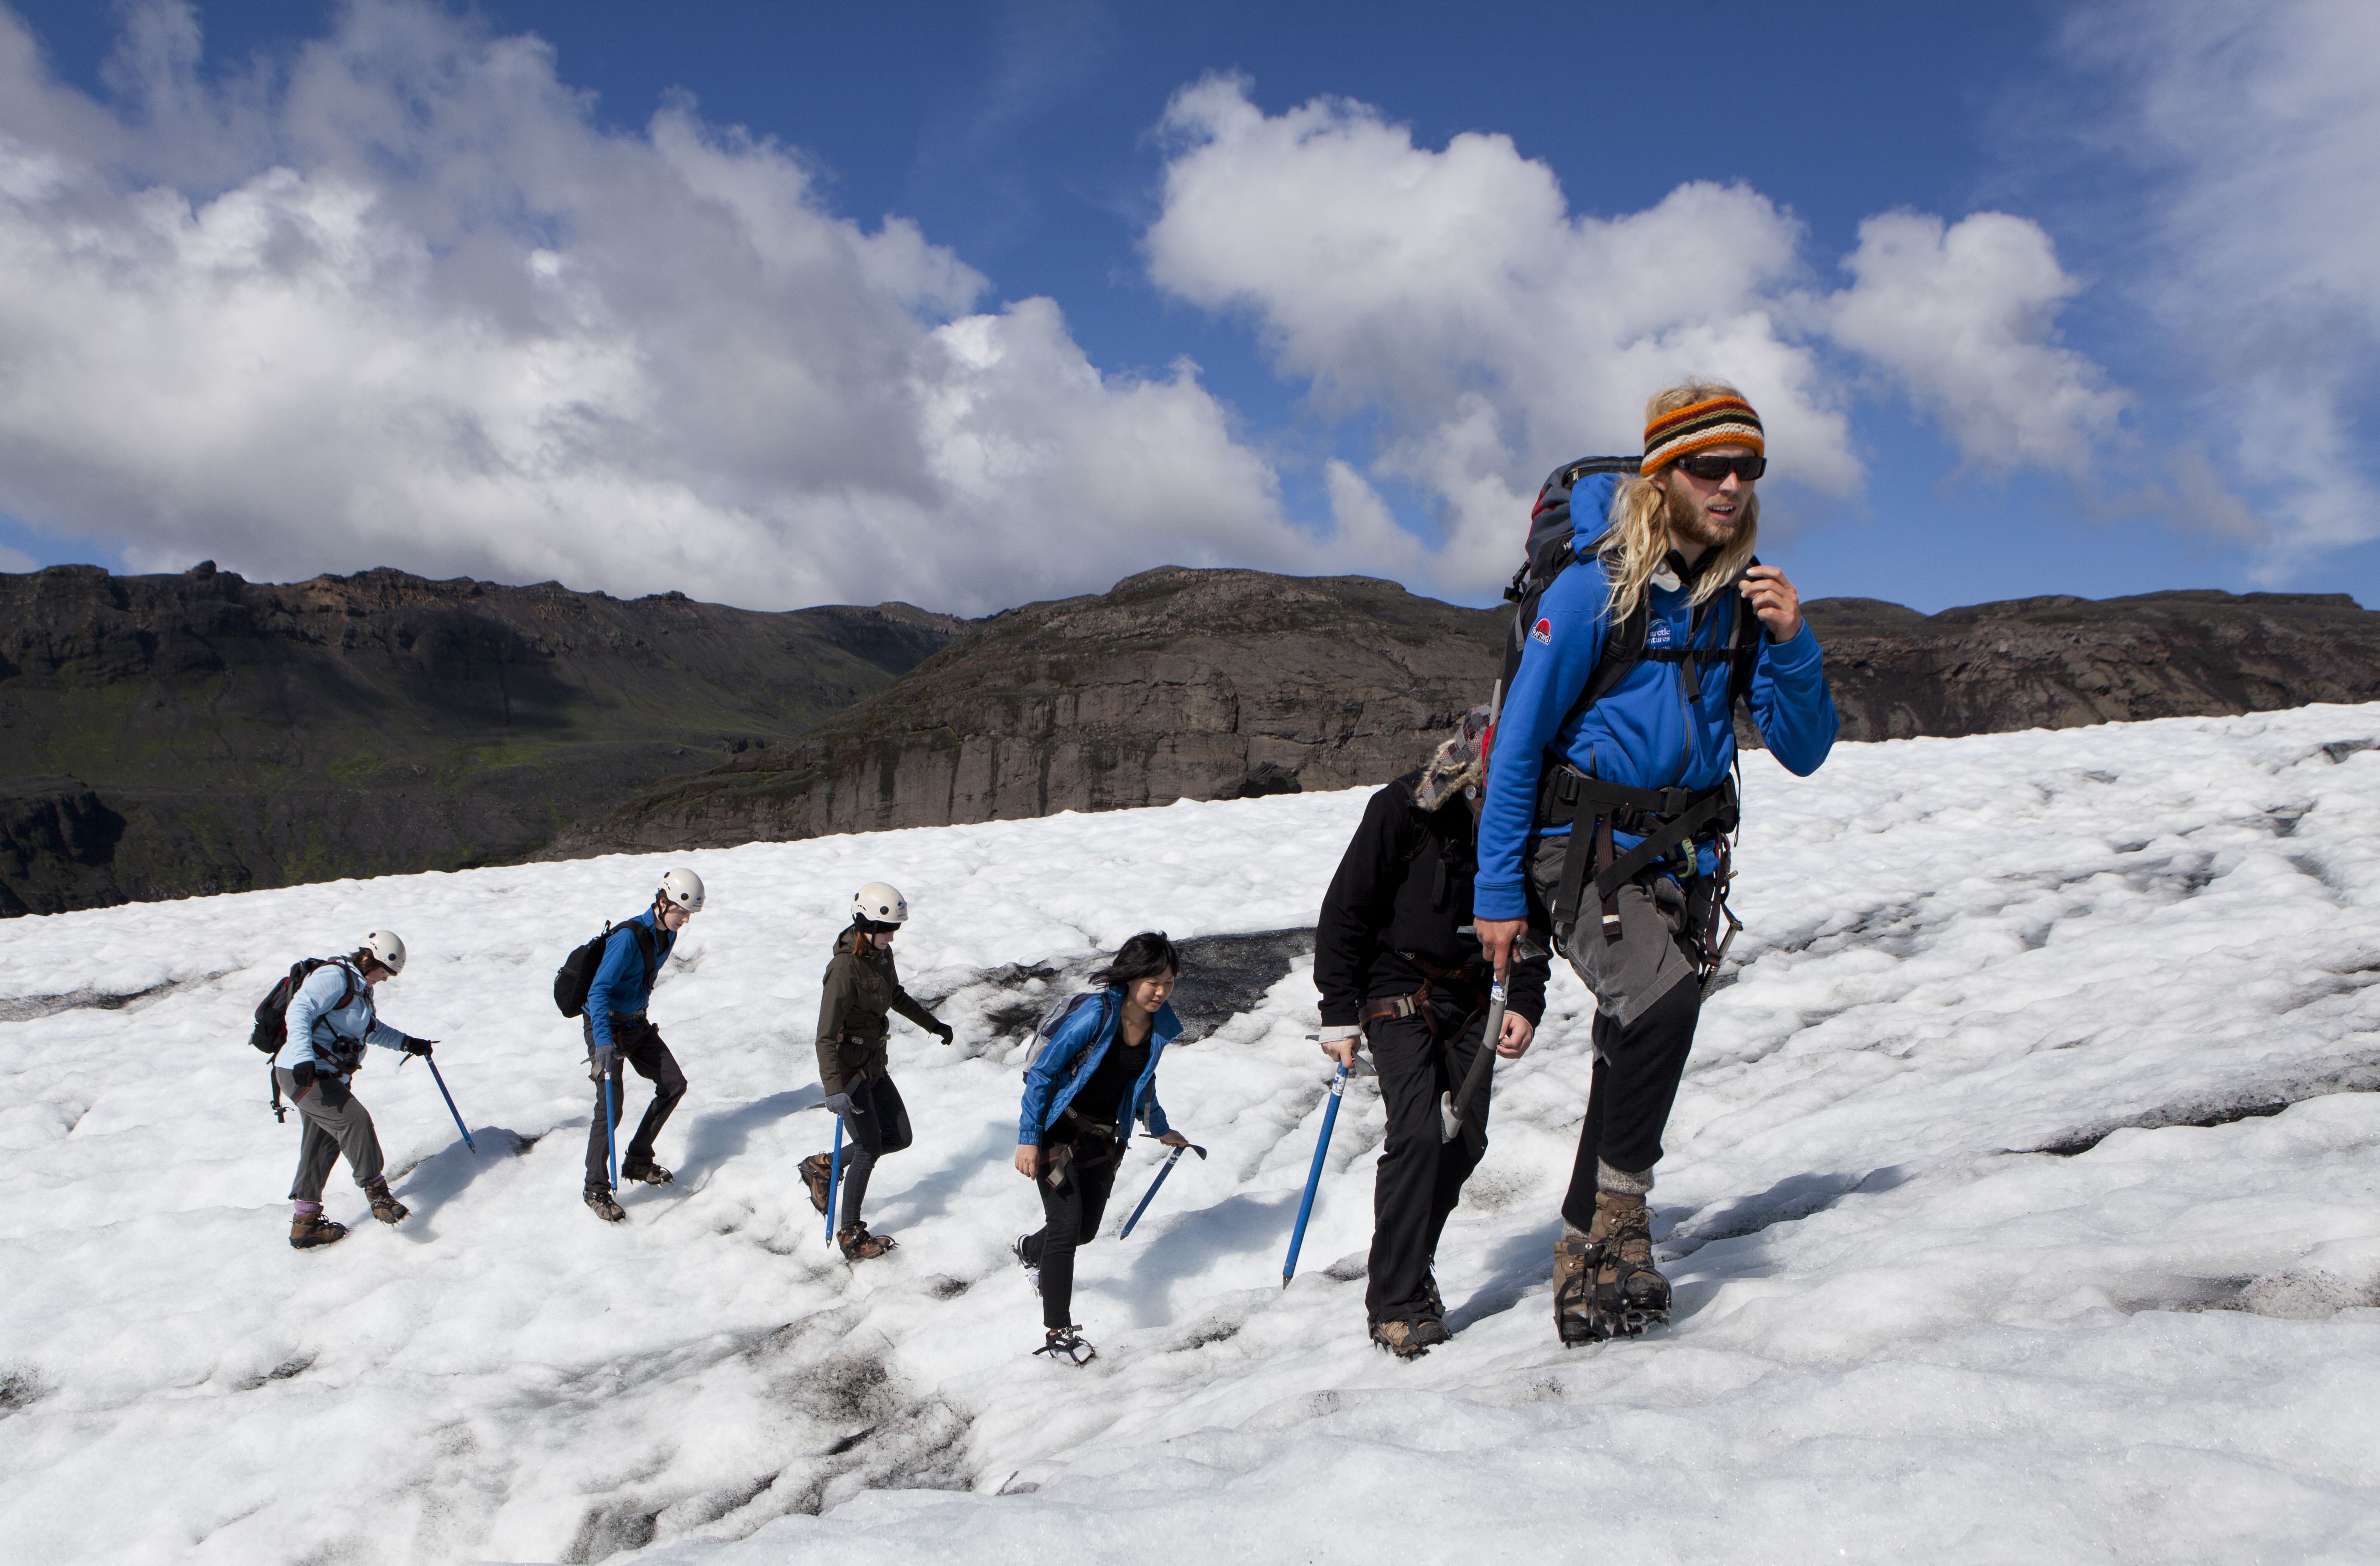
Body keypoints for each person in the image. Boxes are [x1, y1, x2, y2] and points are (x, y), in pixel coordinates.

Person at [1473, 381, 1838, 1345]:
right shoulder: (1591, 590)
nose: (1729, 484)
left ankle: (1582, 1245)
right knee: (1661, 1003)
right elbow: (1515, 749)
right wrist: (1496, 893)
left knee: (1631, 1040)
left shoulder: (1739, 597)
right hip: (1582, 850)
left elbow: (1803, 747)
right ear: (1661, 474)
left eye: (1746, 467)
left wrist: (1792, 641)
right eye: (1708, 466)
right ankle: (1623, 1219)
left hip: (1681, 858)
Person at [1315, 711, 1553, 1358]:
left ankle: (1411, 1261)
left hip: (1478, 994)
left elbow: (1534, 924)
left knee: (1463, 1143)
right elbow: (1346, 912)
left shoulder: (1532, 816)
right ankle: (1393, 1301)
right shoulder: (1401, 810)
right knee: (1419, 1133)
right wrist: (1338, 1011)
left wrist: (1525, 1001)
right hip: (1399, 988)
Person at [1011, 931, 1192, 1365]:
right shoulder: (1096, 1014)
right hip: (1057, 1131)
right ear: (1131, 977)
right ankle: (1059, 1332)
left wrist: (1162, 1128)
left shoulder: (1158, 1028)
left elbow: (1142, 1084)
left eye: (1168, 981)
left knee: (1084, 1230)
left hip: (1102, 1137)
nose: (1161, 991)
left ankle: (1029, 1250)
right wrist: (1028, 1137)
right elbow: (1042, 1075)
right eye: (1153, 981)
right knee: (1066, 1223)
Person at [799, 882, 954, 1259]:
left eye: (895, 929)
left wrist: (933, 1024)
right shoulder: (843, 968)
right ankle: (850, 1232)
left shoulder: (881, 956)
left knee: (898, 1136)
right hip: (849, 1069)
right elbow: (824, 1035)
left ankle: (825, 1166)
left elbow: (894, 995)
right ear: (864, 923)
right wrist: (832, 1088)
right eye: (886, 930)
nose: (892, 937)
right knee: (869, 1146)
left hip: (874, 1064)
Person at [275, 930, 435, 1249]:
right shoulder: (335, 976)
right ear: (375, 961)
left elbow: (369, 1029)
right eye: (386, 972)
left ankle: (305, 1223)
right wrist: (305, 1057)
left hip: (325, 1076)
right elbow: (299, 1010)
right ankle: (379, 1196)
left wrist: (408, 1042)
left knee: (324, 1143)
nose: (386, 979)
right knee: (355, 1120)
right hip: (302, 1073)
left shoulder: (360, 989)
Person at [582, 868, 703, 1223]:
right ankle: (596, 1188)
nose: (684, 919)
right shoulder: (629, 938)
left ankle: (637, 1159)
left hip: (635, 1023)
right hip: (606, 1025)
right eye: (680, 911)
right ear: (662, 901)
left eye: (689, 914)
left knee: (673, 1085)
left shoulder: (667, 937)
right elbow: (598, 991)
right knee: (610, 1108)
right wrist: (602, 1043)